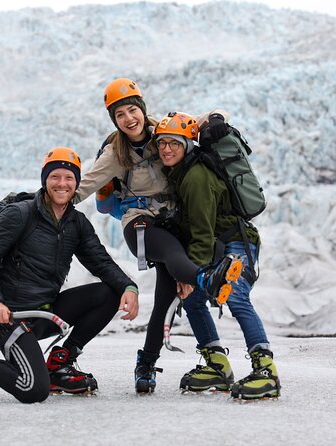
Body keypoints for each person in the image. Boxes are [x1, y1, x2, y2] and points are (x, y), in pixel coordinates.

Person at [0, 147, 140, 404]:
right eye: (55, 177)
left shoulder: (77, 223)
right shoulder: (20, 214)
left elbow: (101, 262)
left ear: (76, 183)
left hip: (45, 312)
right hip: (10, 318)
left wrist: (129, 287)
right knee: (33, 390)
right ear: (45, 180)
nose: (62, 183)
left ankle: (60, 364)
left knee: (109, 293)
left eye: (69, 178)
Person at [73, 78, 242, 393]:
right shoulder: (115, 152)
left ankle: (146, 364)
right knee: (174, 257)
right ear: (114, 120)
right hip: (139, 223)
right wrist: (39, 202)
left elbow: (211, 115)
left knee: (165, 300)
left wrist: (218, 119)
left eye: (132, 110)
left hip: (171, 223)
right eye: (119, 114)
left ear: (142, 108)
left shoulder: (164, 131)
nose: (128, 119)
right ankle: (209, 279)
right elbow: (83, 186)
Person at [156, 111, 281, 400]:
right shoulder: (183, 171)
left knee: (236, 296)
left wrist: (189, 274)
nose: (166, 149)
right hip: (220, 244)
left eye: (174, 143)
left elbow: (201, 232)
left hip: (236, 242)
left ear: (187, 145)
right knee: (195, 300)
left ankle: (266, 370)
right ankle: (217, 366)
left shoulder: (195, 177)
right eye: (161, 143)